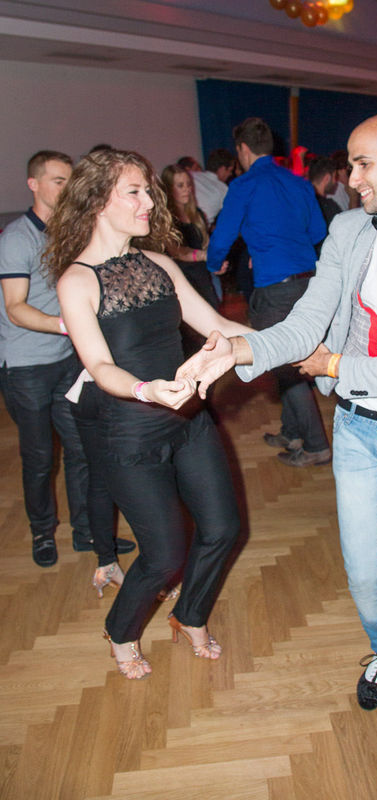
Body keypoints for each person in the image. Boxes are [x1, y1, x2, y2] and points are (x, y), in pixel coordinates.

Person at [181, 112, 377, 756]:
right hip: (356, 432)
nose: (351, 178)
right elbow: (304, 325)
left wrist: (332, 366)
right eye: (351, 165)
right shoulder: (348, 230)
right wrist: (239, 349)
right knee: (362, 574)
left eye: (363, 164)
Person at [44, 149, 250, 678]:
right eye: (133, 192)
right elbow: (99, 366)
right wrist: (146, 390)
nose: (149, 202)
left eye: (147, 191)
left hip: (189, 420)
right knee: (163, 555)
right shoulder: (77, 281)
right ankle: (121, 630)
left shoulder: (159, 265)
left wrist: (293, 344)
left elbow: (219, 327)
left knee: (223, 527)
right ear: (97, 201)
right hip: (130, 432)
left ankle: (190, 614)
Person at [0, 150, 133, 567]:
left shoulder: (70, 233)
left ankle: (86, 531)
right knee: (40, 457)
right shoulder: (16, 238)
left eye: (69, 180)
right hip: (26, 365)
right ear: (34, 184)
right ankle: (43, 532)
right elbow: (15, 308)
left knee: (82, 449)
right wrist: (68, 324)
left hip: (67, 360)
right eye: (58, 180)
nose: (67, 187)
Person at [207, 117, 331, 468]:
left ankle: (316, 445)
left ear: (243, 149)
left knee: (285, 365)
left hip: (275, 289)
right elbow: (317, 233)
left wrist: (215, 264)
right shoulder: (299, 183)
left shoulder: (243, 185)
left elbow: (222, 237)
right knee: (286, 362)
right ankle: (292, 432)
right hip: (309, 283)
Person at [160, 164, 218, 309]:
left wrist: (215, 262)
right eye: (180, 185)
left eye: (188, 184)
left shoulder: (197, 214)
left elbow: (205, 244)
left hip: (202, 276)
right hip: (182, 280)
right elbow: (177, 251)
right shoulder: (166, 219)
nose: (187, 189)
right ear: (169, 189)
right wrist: (203, 255)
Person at [190, 149, 235, 229]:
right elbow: (232, 218)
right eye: (230, 170)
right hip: (199, 230)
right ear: (222, 169)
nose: (230, 174)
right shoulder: (223, 190)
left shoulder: (191, 175)